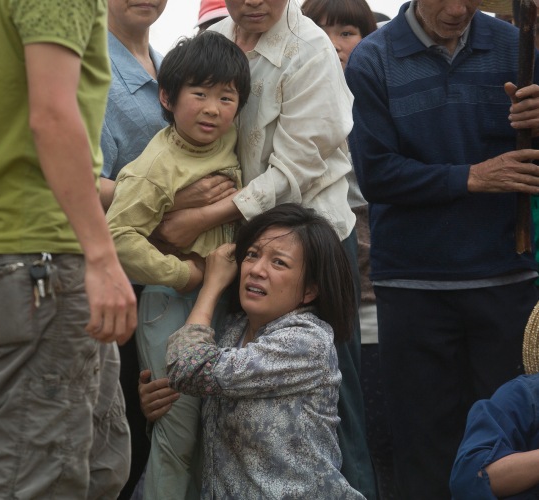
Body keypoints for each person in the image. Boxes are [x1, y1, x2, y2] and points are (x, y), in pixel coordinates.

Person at [152, 0, 377, 496]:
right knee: (233, 396)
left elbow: (294, 171)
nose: (253, 2)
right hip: (243, 244)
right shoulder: (216, 38)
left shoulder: (311, 49)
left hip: (308, 242)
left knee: (338, 409)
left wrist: (197, 218)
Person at [345, 0, 539, 497]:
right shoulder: (373, 58)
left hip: (506, 277)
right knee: (423, 446)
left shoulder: (517, 47)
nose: (457, 9)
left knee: (513, 446)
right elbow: (375, 174)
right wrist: (471, 177)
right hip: (413, 285)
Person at [0, 0, 138, 498]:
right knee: (39, 476)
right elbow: (53, 117)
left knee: (100, 464)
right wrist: (102, 256)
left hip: (43, 246)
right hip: (42, 249)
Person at [106, 30, 250, 499]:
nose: (212, 109)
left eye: (226, 97)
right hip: (170, 303)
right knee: (176, 436)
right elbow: (117, 236)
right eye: (199, 94)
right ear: (167, 98)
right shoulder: (155, 167)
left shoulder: (233, 140)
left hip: (223, 303)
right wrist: (185, 274)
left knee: (213, 437)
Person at [165, 203, 364, 499]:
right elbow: (192, 378)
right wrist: (161, 399)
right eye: (252, 255)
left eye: (279, 263)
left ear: (310, 290)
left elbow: (190, 369)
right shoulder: (234, 330)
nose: (256, 270)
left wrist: (211, 287)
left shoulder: (305, 341)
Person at [301, 1, 400, 498]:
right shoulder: (297, 109)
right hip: (321, 311)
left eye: (347, 32)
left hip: (382, 305)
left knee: (383, 434)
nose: (333, 44)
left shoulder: (381, 106)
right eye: (320, 31)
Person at [99, 0, 169, 497]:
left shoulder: (168, 64)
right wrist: (173, 203)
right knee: (120, 448)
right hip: (117, 279)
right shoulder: (93, 69)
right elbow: (83, 180)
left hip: (168, 285)